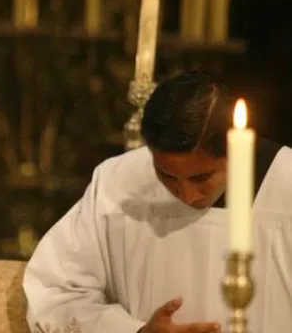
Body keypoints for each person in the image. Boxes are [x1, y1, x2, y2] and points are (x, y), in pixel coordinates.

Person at [23, 70, 292, 333]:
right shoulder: (119, 181)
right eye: (167, 176)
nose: (186, 195)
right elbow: (57, 291)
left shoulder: (285, 185)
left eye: (201, 177)